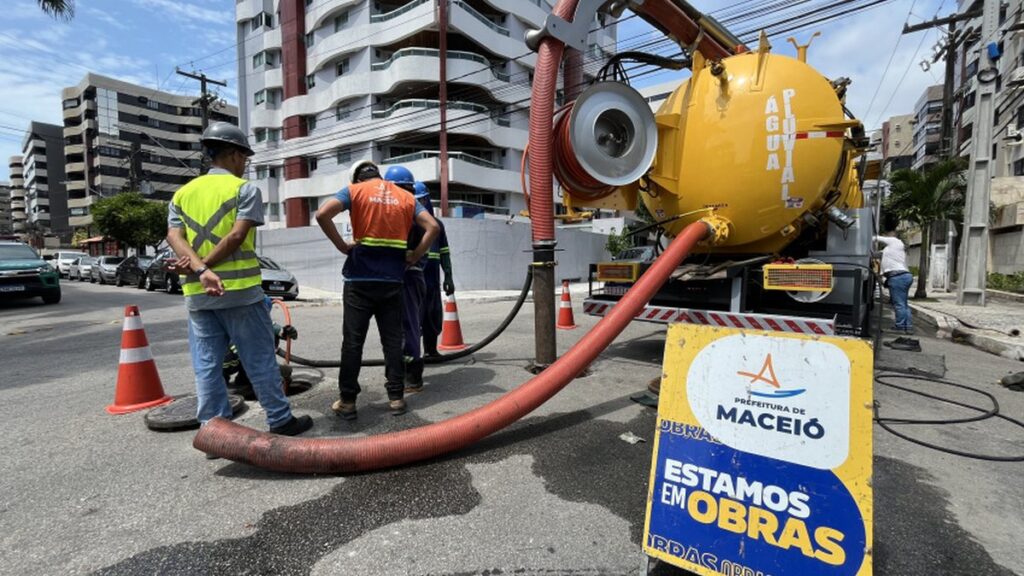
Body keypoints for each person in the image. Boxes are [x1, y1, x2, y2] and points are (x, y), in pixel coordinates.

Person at [167, 122, 313, 443]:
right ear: (232, 155)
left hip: (198, 294)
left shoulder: (182, 194)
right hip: (240, 293)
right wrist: (205, 266)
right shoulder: (245, 190)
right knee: (258, 358)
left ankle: (213, 430)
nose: (245, 164)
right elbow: (236, 235)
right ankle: (279, 419)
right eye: (244, 157)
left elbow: (173, 236)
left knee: (207, 365)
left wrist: (198, 269)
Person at [315, 160, 439, 419]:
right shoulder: (404, 196)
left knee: (352, 343)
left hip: (359, 280)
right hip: (393, 280)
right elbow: (433, 227)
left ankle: (348, 401)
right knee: (392, 341)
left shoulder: (353, 191)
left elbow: (322, 214)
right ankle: (396, 398)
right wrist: (415, 255)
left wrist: (341, 245)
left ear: (356, 178)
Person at [383, 166, 429, 392]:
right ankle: (403, 373)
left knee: (407, 325)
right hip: (408, 276)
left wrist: (413, 255)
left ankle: (412, 376)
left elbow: (433, 229)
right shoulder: (409, 208)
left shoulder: (408, 209)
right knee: (402, 326)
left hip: (408, 277)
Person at [223, 297, 298, 400]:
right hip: (224, 365)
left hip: (243, 360)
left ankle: (244, 379)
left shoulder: (264, 323)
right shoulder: (237, 327)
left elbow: (282, 333)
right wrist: (276, 370)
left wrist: (289, 332)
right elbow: (252, 359)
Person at [416, 181, 456, 358]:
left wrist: (448, 276)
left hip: (432, 282)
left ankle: (431, 351)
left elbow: (445, 252)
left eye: (422, 200)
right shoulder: (407, 223)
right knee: (412, 318)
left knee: (432, 316)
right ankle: (411, 356)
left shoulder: (437, 225)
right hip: (412, 281)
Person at [874, 233, 913, 332]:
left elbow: (876, 238)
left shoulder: (895, 241)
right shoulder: (891, 250)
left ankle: (900, 326)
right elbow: (877, 254)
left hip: (898, 277)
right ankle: (907, 326)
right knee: (903, 303)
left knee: (899, 304)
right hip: (903, 276)